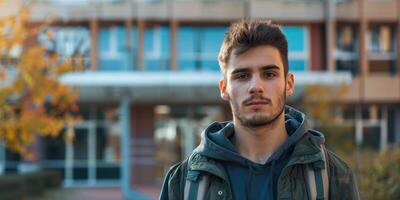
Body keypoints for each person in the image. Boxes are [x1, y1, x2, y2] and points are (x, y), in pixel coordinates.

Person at [159, 20, 360, 200]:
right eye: (242, 76)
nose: (256, 86)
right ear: (224, 88)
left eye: (269, 74)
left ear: (289, 84)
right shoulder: (183, 182)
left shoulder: (331, 176)